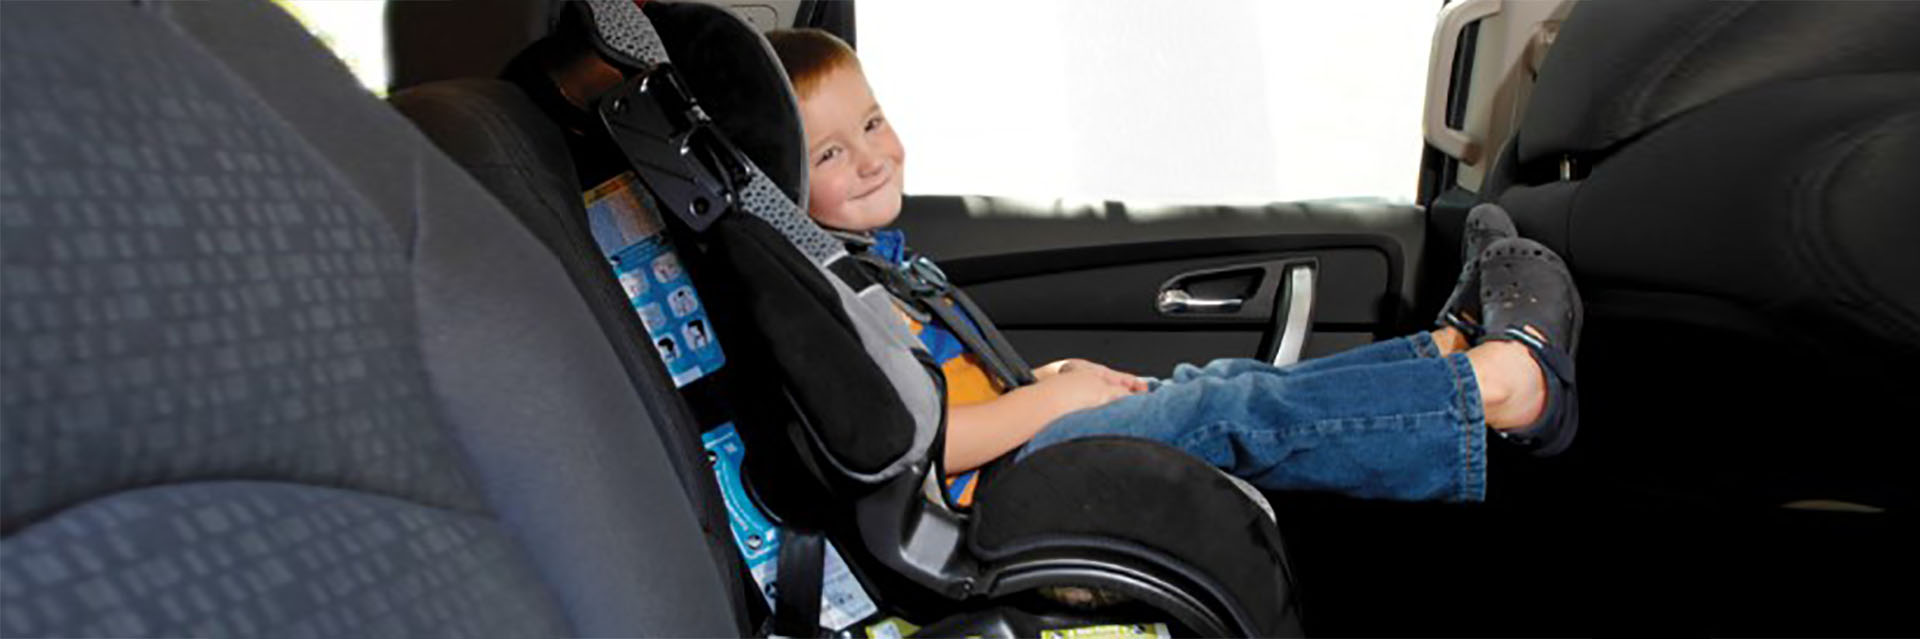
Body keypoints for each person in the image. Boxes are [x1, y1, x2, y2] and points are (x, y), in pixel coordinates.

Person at [767, 28, 1582, 503]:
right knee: (1230, 410)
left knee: (1213, 382)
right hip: (1002, 487)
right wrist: (1049, 400)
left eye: (874, 124)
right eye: (833, 152)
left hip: (1017, 446)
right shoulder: (827, 300)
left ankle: (1441, 359)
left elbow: (940, 383)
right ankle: (1503, 387)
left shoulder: (870, 263)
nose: (873, 159)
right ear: (778, 180)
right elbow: (923, 441)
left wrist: (1040, 375)